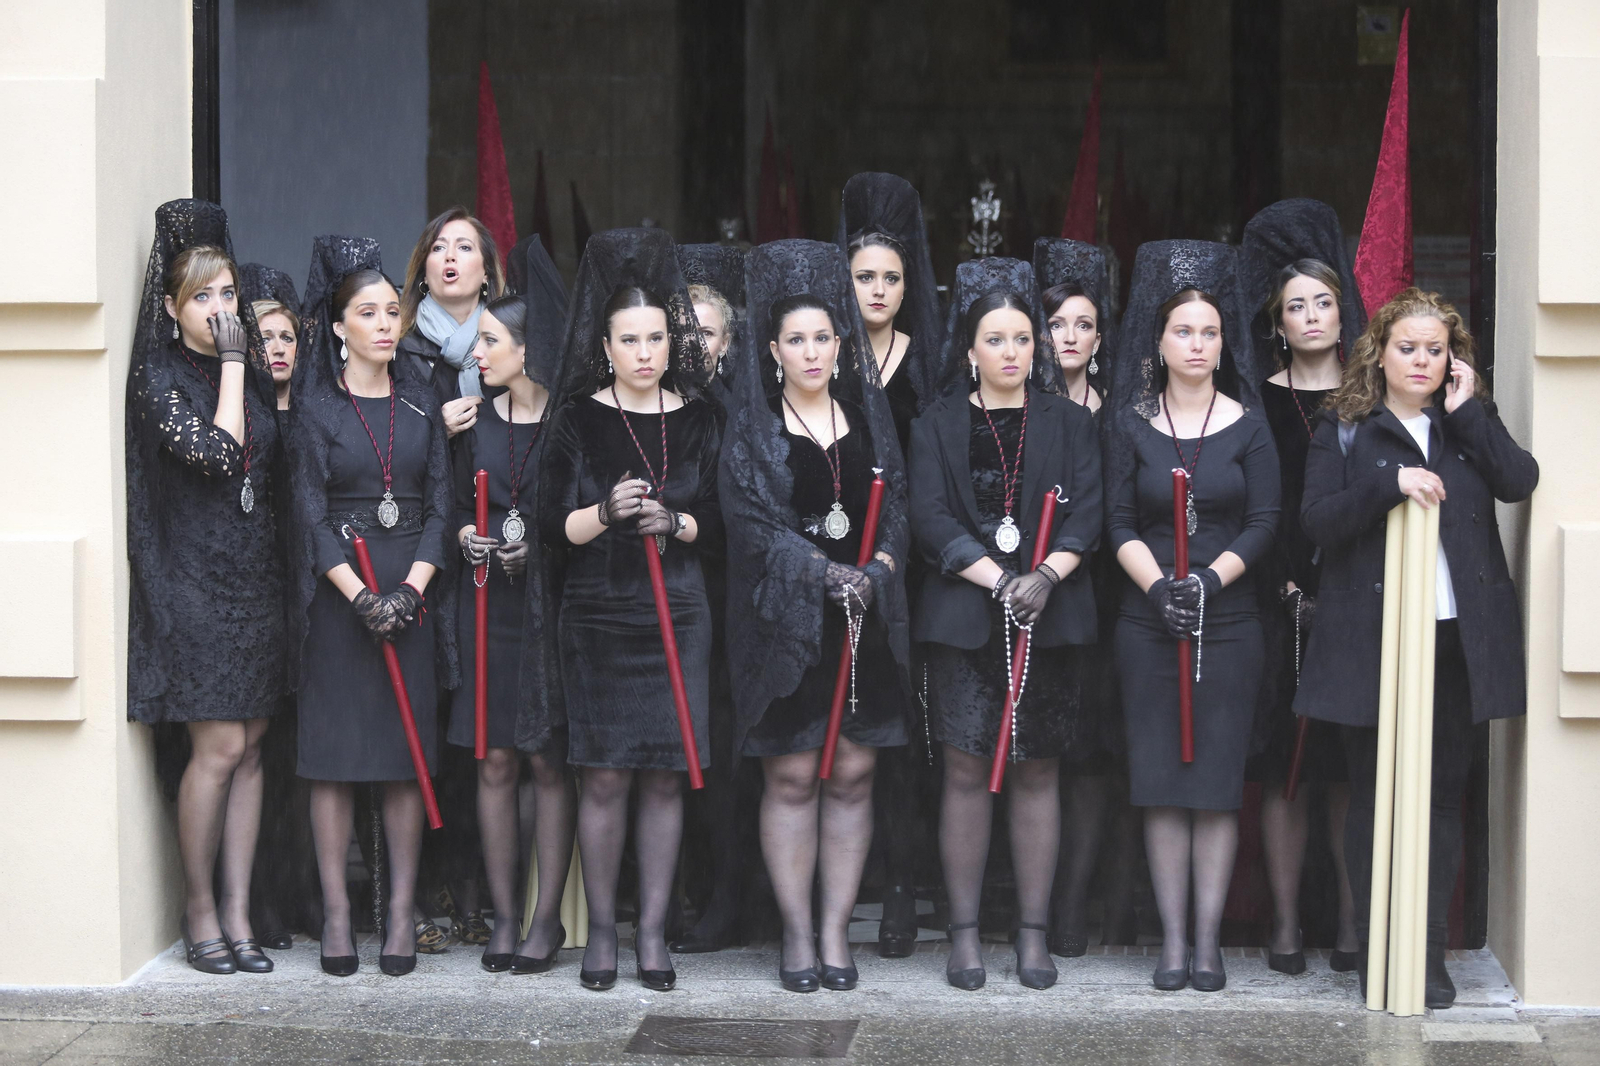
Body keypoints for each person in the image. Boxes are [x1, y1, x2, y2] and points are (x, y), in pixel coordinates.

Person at [1296, 288, 1537, 1009]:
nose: (1422, 360)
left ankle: (1427, 952)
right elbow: (1317, 522)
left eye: (1436, 349)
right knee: (1374, 800)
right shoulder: (1344, 425)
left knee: (1441, 797)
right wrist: (1389, 484)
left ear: (1452, 357)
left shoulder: (1467, 421)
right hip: (1372, 641)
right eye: (1409, 347)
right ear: (1380, 351)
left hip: (1456, 641)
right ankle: (1378, 948)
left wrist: (1469, 414)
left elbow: (1518, 480)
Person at [721, 239, 912, 992]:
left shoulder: (868, 418)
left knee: (854, 773)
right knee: (795, 773)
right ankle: (796, 934)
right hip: (785, 628)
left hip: (863, 618)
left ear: (841, 345)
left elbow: (896, 508)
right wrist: (821, 571)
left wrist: (877, 571)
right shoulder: (756, 426)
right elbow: (750, 524)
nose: (810, 351)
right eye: (794, 339)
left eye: (822, 338)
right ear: (772, 349)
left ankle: (836, 932)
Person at [910, 262, 1102, 992]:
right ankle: (963, 937)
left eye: (1024, 337)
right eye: (996, 339)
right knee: (964, 769)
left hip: (1050, 615)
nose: (1013, 351)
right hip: (966, 616)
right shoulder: (934, 424)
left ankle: (1031, 935)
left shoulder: (1072, 422)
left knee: (1038, 769)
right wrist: (1000, 582)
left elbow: (1088, 510)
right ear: (970, 351)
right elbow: (928, 516)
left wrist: (1045, 576)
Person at [539, 228, 721, 992]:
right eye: (629, 340)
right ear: (605, 346)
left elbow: (716, 521)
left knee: (663, 779)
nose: (644, 352)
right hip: (601, 615)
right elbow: (555, 525)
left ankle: (653, 933)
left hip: (677, 612)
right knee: (605, 777)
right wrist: (607, 512)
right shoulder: (579, 417)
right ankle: (604, 935)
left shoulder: (703, 417)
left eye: (655, 338)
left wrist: (674, 524)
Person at [1105, 240, 1279, 992]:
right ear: (1159, 340)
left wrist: (1206, 580)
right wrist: (1159, 591)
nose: (1198, 344)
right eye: (1184, 331)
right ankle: (1171, 940)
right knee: (1161, 782)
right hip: (1148, 621)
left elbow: (1266, 521)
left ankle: (1208, 942)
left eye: (1209, 332)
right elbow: (1115, 521)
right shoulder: (1131, 422)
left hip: (1231, 621)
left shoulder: (1249, 422)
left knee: (1213, 785)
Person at [286, 236, 457, 978]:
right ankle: (334, 917)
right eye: (369, 312)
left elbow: (443, 504)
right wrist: (361, 598)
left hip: (410, 591)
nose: (386, 324)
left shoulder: (423, 398)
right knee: (334, 761)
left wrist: (410, 592)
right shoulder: (317, 410)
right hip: (340, 598)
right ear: (338, 326)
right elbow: (308, 517)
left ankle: (401, 918)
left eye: (394, 310)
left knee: (399, 762)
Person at [125, 200, 288, 975]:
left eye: (228, 294)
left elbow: (269, 461)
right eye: (202, 297)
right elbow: (221, 455)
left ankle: (238, 910)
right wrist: (230, 363)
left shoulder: (249, 372)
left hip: (253, 576)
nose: (221, 311)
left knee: (254, 746)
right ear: (170, 306)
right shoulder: (160, 376)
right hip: (192, 584)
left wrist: (241, 365)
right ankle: (197, 909)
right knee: (218, 746)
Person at [1241, 199, 1370, 975]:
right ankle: (1285, 923)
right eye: (1297, 306)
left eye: (1324, 301)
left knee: (1346, 772)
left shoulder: (1369, 397)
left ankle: (1353, 925)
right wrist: (1287, 586)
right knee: (1284, 769)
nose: (1313, 315)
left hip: (1356, 604)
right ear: (1278, 321)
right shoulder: (1259, 399)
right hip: (1276, 604)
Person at [448, 236, 577, 973]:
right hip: (487, 610)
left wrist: (546, 552)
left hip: (548, 614)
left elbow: (584, 513)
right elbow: (444, 508)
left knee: (546, 763)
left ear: (527, 350)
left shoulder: (569, 423)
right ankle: (503, 918)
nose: (477, 352)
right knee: (493, 762)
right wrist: (465, 529)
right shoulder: (472, 420)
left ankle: (546, 920)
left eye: (490, 340)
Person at [834, 173, 948, 958]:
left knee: (904, 731)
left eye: (891, 279)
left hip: (910, 569)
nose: (878, 290)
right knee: (837, 730)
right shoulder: (823, 351)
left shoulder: (930, 360)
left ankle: (904, 884)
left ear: (911, 286)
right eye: (865, 277)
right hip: (836, 564)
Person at [1034, 236, 1133, 958]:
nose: (1069, 337)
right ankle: (1031, 901)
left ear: (1101, 337)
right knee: (1033, 754)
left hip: (1103, 602)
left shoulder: (1119, 411)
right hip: (1028, 597)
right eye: (1057, 324)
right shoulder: (1017, 402)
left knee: (1092, 758)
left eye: (1083, 325)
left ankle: (1075, 905)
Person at [673, 241, 755, 954]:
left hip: (728, 597)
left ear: (728, 343)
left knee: (725, 751)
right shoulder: (656, 402)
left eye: (706, 330)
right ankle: (684, 890)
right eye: (684, 328)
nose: (693, 342)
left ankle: (730, 895)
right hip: (664, 594)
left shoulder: (739, 408)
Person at [397, 207, 507, 439]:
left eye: (464, 247)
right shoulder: (396, 344)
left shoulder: (512, 342)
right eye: (438, 247)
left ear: (486, 272)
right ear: (424, 273)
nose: (450, 255)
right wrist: (434, 432)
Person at [240, 262, 300, 411]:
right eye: (264, 339)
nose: (279, 350)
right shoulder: (233, 417)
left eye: (287, 338)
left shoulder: (317, 415)